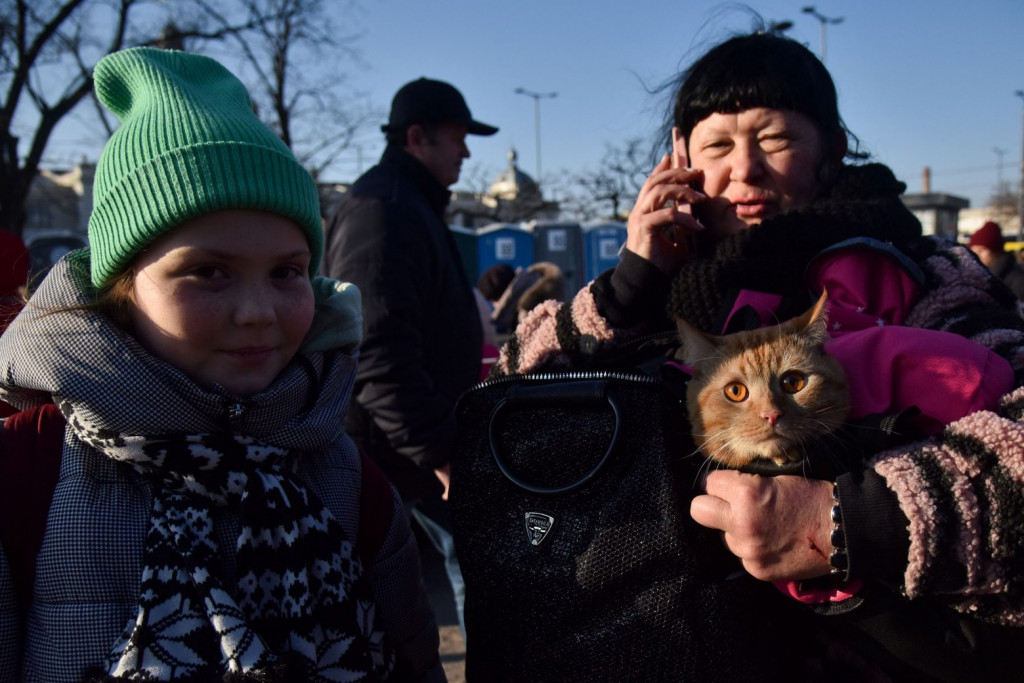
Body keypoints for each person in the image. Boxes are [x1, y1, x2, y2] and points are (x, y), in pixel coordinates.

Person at [490, 31, 1024, 680]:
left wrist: (843, 520)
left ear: (831, 148)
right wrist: (627, 286)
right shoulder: (646, 296)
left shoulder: (923, 275)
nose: (744, 170)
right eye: (717, 144)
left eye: (774, 139)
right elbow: (508, 411)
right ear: (680, 158)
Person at [0, 47, 445, 682]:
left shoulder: (348, 479)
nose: (258, 312)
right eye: (209, 272)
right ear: (122, 286)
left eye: (287, 272)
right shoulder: (24, 475)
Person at [321, 77, 498, 637]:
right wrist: (440, 450)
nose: (467, 151)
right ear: (417, 138)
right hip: (396, 454)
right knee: (447, 579)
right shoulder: (386, 209)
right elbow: (377, 347)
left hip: (405, 450)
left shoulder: (406, 203)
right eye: (457, 137)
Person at [478, 261, 566, 335]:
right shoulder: (542, 286)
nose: (494, 307)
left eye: (493, 301)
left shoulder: (527, 315)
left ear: (503, 299)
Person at [967, 220, 1024, 300]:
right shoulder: (974, 276)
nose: (977, 254)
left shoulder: (1018, 280)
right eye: (974, 250)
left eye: (982, 250)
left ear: (996, 250)